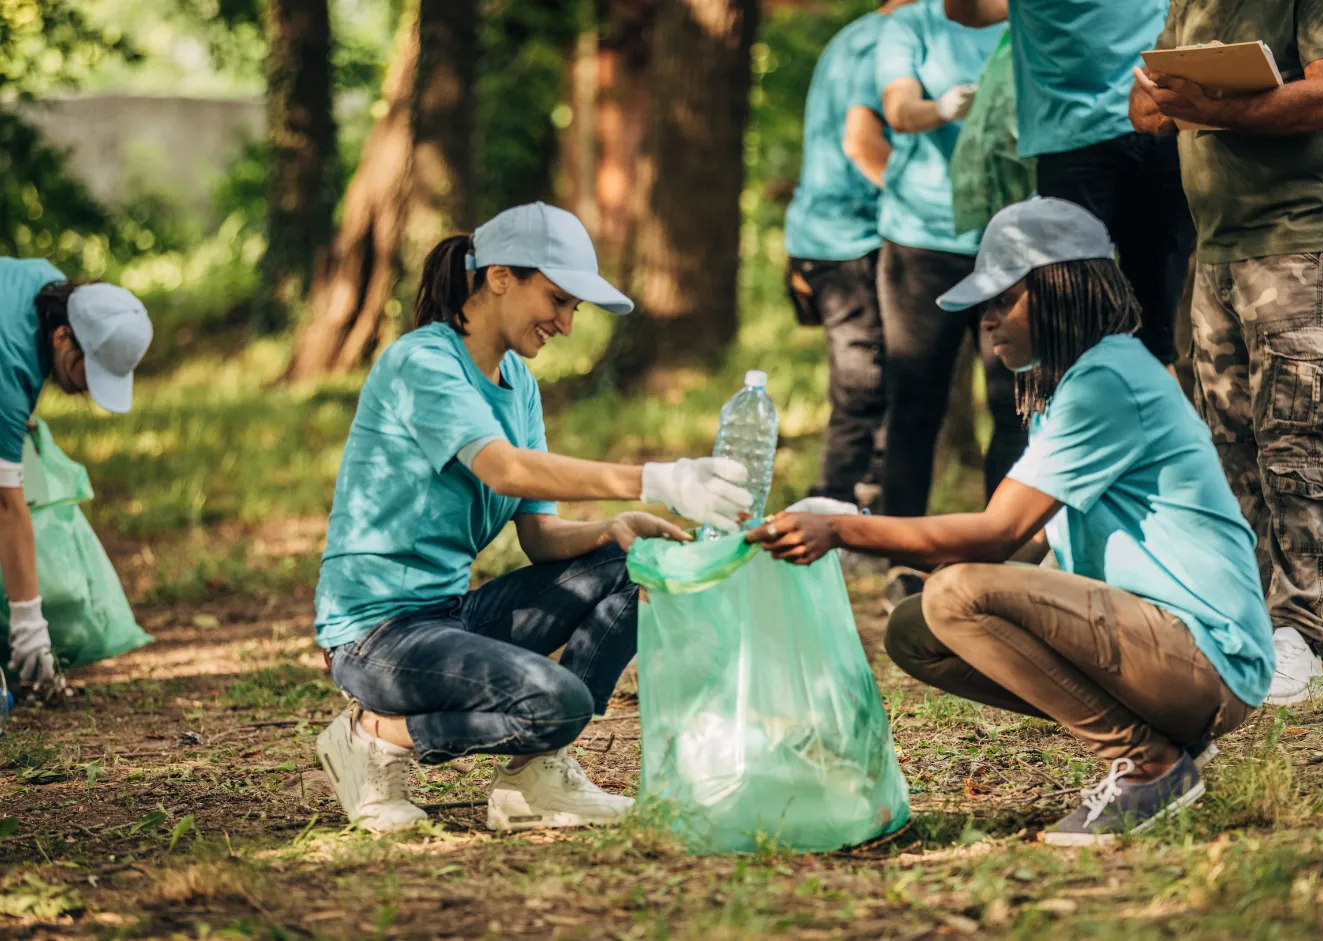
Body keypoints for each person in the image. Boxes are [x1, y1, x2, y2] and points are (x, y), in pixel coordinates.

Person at [748, 198, 1273, 846]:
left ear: (1058, 289)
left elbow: (997, 531)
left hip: (1206, 658)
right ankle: (1161, 740)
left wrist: (848, 527)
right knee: (917, 628)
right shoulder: (1074, 386)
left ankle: (1147, 764)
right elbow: (1027, 543)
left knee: (956, 595)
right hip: (1164, 651)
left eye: (1002, 300)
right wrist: (895, 542)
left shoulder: (1107, 376)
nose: (986, 320)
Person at [313, 202, 753, 834]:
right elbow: (506, 470)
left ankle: (532, 778)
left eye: (574, 307)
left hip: (448, 617)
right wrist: (655, 478)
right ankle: (374, 734)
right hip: (375, 637)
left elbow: (540, 535)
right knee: (556, 700)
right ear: (499, 278)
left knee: (638, 564)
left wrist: (614, 529)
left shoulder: (517, 382)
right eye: (558, 299)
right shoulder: (422, 363)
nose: (567, 323)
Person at [1131, 0, 1323, 705]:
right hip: (1218, 249)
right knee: (1228, 441)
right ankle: (1245, 621)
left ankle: (1299, 631)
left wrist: (1212, 106)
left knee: (1293, 438)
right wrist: (1171, 96)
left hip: (1302, 239)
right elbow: (1144, 112)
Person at [944, 0, 1195, 374]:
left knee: (1068, 332)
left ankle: (1103, 420)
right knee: (1152, 336)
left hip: (1088, 140)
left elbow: (967, 11)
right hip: (1148, 129)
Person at [873, 0, 1023, 611]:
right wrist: (941, 108)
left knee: (1014, 403)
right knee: (915, 402)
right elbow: (897, 109)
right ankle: (901, 562)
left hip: (1011, 237)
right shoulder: (911, 23)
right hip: (922, 239)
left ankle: (1000, 559)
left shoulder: (1027, 17)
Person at [784, 0, 914, 510]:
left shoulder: (855, 35)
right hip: (845, 240)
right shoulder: (884, 43)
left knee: (878, 379)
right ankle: (830, 508)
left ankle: (862, 506)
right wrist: (924, 209)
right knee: (863, 385)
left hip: (825, 235)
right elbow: (861, 144)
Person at [0, 260, 152, 695]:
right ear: (64, 336)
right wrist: (29, 622)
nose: (87, 387)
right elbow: (7, 507)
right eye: (89, 370)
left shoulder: (46, 284)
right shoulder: (8, 371)